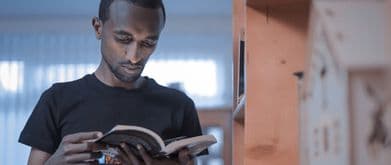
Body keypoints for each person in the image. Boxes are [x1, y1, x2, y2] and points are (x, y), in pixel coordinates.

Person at [18, 0, 206, 164]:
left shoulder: (179, 105)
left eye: (148, 43)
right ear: (98, 28)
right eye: (123, 39)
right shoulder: (56, 99)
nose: (134, 57)